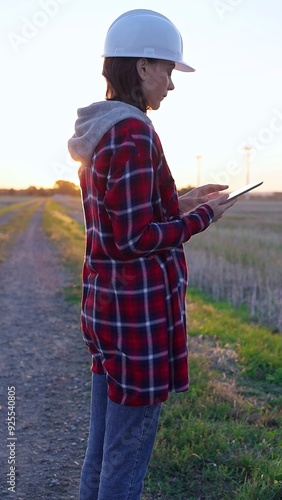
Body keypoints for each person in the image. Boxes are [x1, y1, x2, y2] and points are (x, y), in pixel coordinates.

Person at [68, 9, 236, 500]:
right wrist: (203, 219)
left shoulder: (103, 130)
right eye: (166, 70)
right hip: (137, 319)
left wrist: (183, 201)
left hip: (106, 313)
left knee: (101, 452)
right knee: (126, 457)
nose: (171, 83)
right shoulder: (135, 131)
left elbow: (120, 216)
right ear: (142, 67)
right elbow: (134, 238)